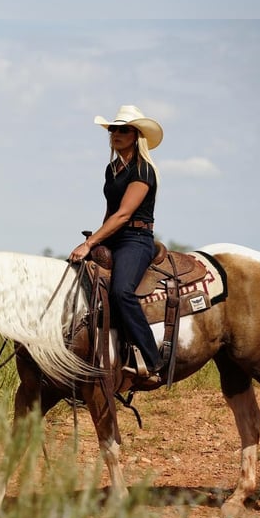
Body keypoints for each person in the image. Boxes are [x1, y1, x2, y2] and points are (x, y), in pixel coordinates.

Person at [68, 105, 164, 378]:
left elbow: (123, 214)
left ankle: (152, 358)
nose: (116, 134)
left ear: (136, 135)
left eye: (123, 130)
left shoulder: (143, 169)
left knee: (121, 291)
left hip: (136, 238)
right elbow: (111, 212)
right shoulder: (112, 169)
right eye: (113, 129)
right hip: (115, 236)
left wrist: (89, 243)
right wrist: (97, 239)